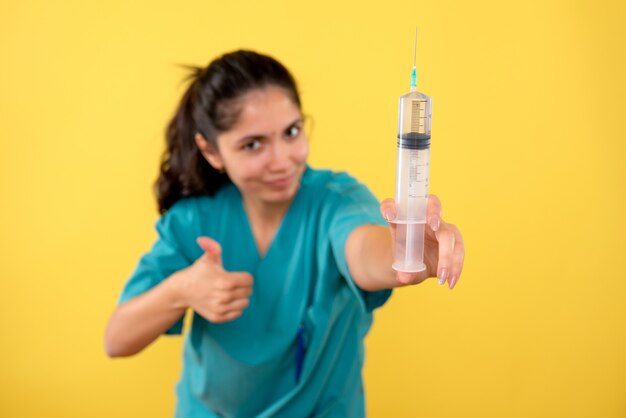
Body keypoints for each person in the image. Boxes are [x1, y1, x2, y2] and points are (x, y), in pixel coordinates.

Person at [104, 50, 464, 417]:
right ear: (211, 151)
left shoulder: (335, 202)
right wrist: (181, 290)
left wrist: (409, 252)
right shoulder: (194, 221)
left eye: (291, 132)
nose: (282, 160)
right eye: (253, 144)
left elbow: (363, 251)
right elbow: (116, 340)